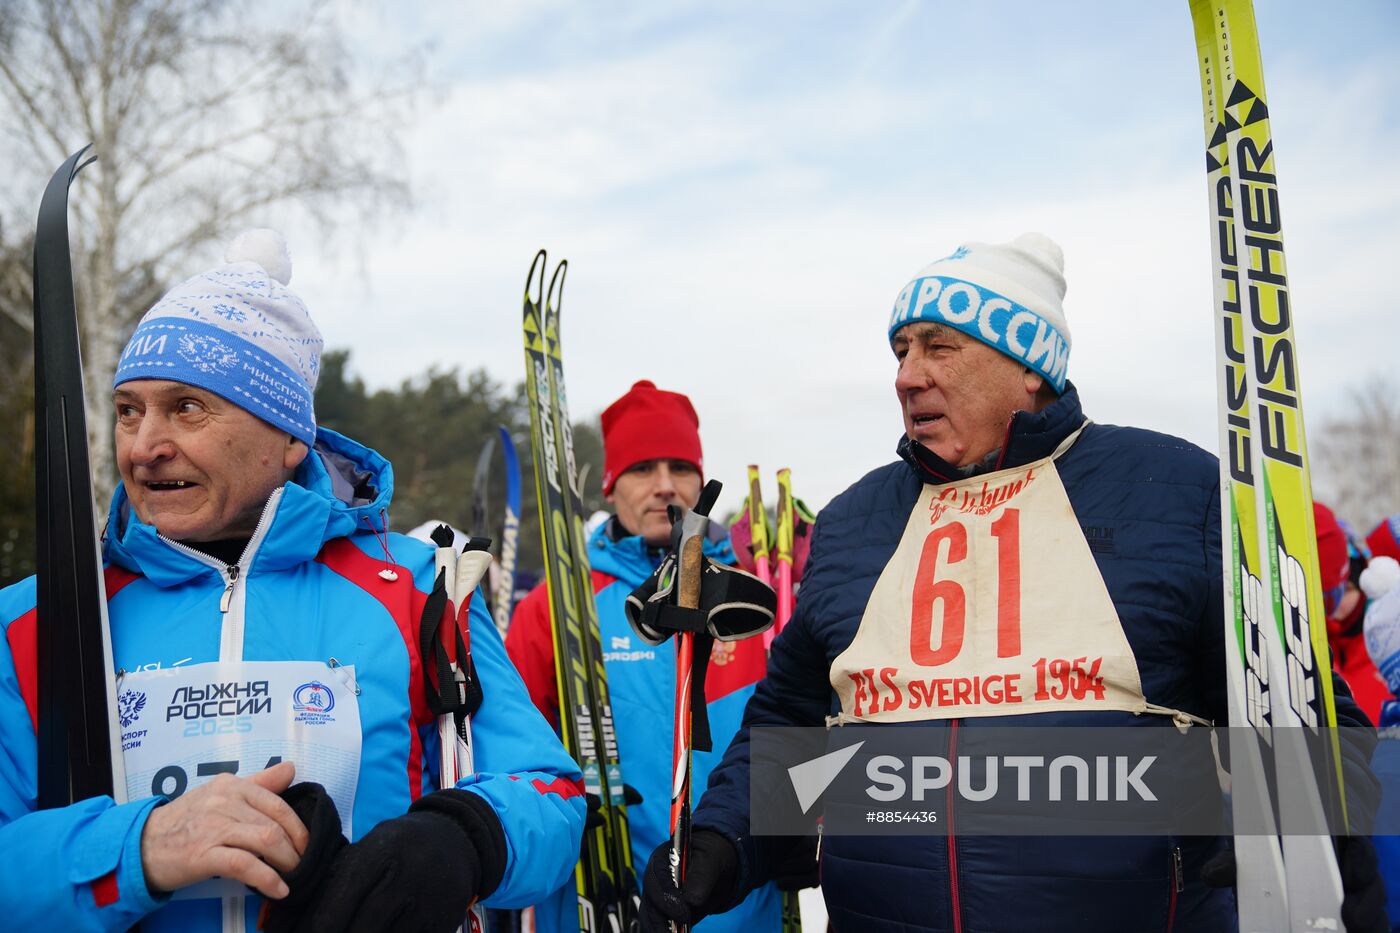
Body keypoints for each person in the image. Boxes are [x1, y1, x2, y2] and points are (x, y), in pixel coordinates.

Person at [636, 234, 1383, 932]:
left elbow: (1312, 711)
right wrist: (726, 841)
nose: (906, 375)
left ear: (1030, 364)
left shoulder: (1175, 491)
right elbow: (791, 727)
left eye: (940, 347)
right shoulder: (856, 521)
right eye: (900, 350)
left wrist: (1275, 811)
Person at [0, 230, 584, 932]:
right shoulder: (38, 620)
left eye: (188, 407)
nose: (144, 446)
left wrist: (465, 837)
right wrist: (138, 849)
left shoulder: (419, 589)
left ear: (288, 439)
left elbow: (550, 792)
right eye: (130, 410)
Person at [505, 379, 781, 932]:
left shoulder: (756, 599)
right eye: (641, 470)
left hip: (737, 904)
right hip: (603, 901)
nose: (665, 487)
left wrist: (795, 830)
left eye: (680, 468)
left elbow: (801, 728)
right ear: (611, 487)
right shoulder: (557, 603)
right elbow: (513, 754)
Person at [1317, 501, 1388, 724]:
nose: (1337, 603)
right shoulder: (1315, 644)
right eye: (1329, 592)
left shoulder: (1385, 650)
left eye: (1347, 590)